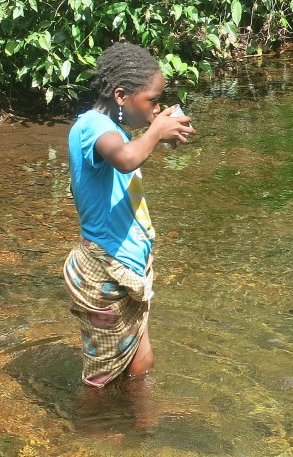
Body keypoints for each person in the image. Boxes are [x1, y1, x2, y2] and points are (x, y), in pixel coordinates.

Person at [63, 42, 195, 387]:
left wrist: (156, 136)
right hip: (105, 272)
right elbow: (124, 158)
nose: (157, 107)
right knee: (101, 378)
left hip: (128, 267)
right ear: (121, 95)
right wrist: (154, 132)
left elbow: (126, 151)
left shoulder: (117, 132)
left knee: (141, 360)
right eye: (152, 100)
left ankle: (141, 432)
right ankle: (92, 432)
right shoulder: (91, 126)